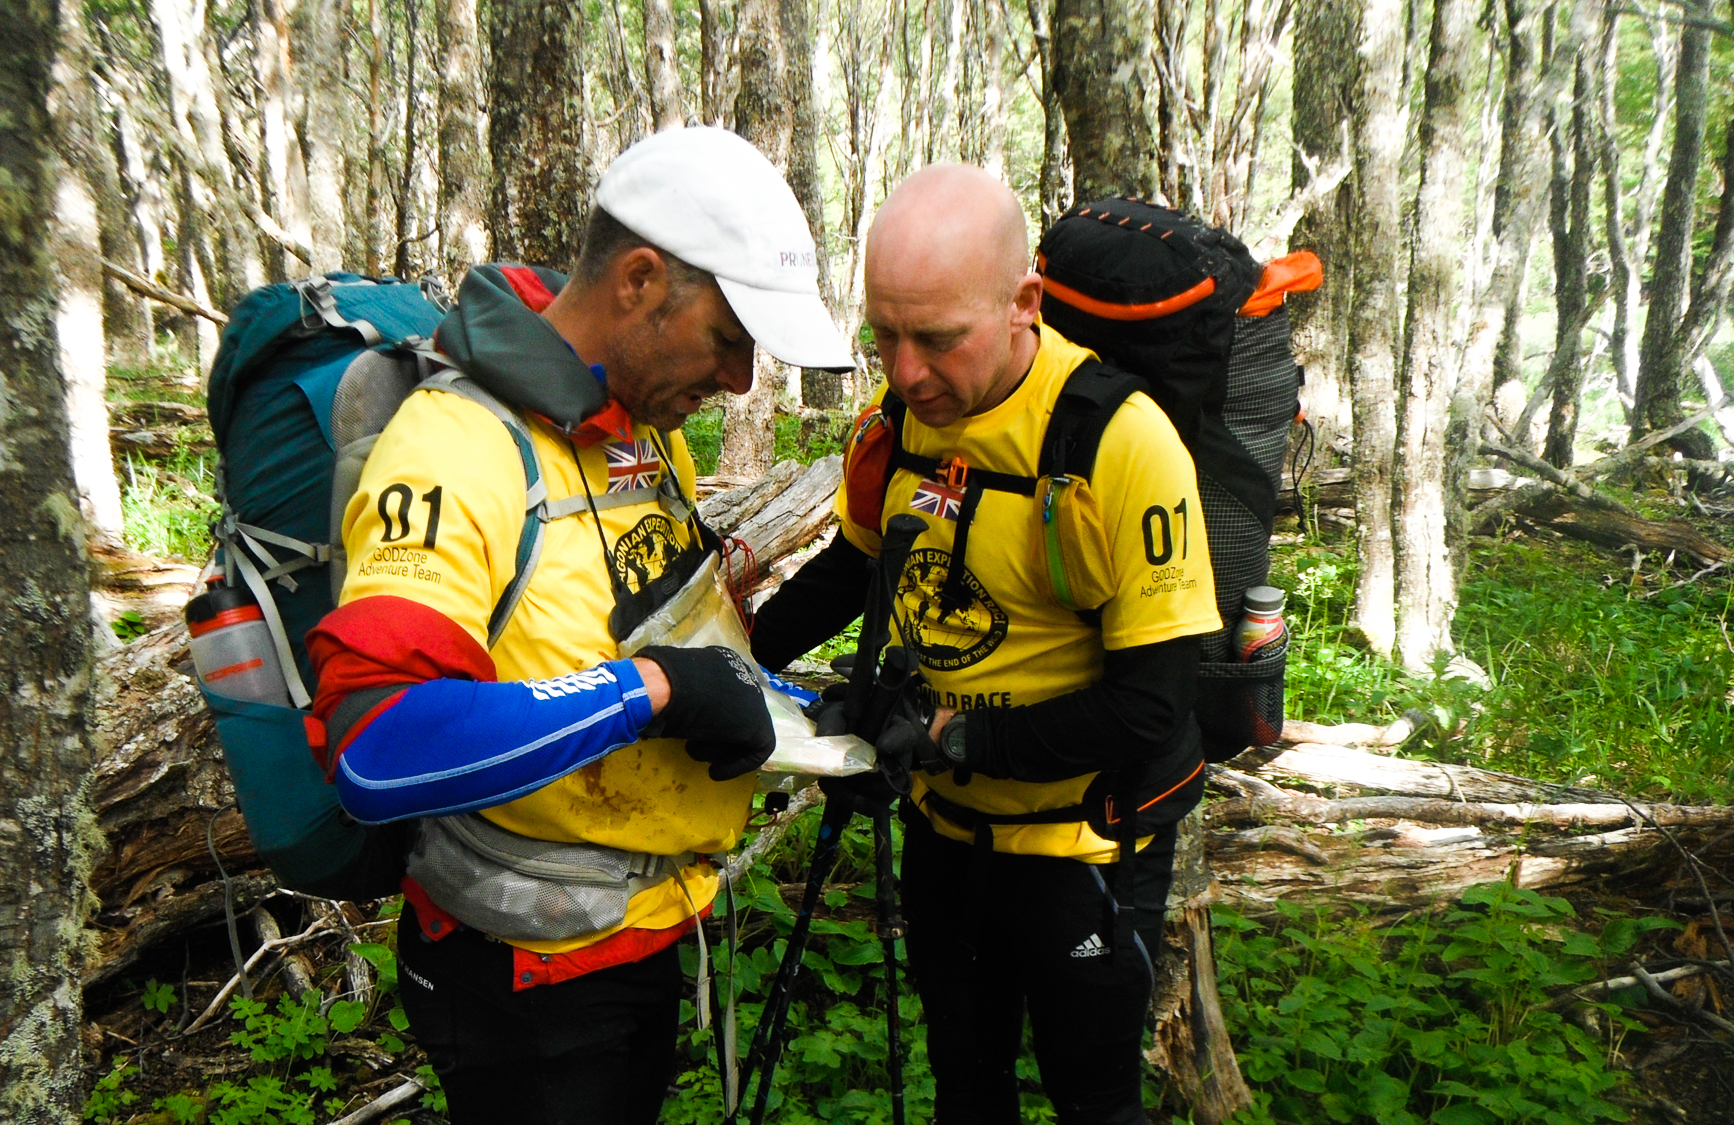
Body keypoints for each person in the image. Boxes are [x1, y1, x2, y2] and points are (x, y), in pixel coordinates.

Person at [305, 126, 852, 1125]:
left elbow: (663, 640)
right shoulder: (454, 448)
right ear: (640, 279)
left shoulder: (642, 439)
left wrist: (818, 716)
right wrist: (648, 694)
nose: (737, 383)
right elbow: (376, 749)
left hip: (648, 929)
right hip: (524, 976)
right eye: (728, 339)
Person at [750, 164, 1220, 1125]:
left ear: (1023, 305)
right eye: (884, 334)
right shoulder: (901, 422)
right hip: (947, 839)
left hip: (1081, 847)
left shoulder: (1119, 445)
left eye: (937, 338)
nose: (907, 371)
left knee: (1094, 1101)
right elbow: (855, 565)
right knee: (966, 1086)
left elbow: (1151, 705)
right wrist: (729, 653)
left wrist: (952, 739)